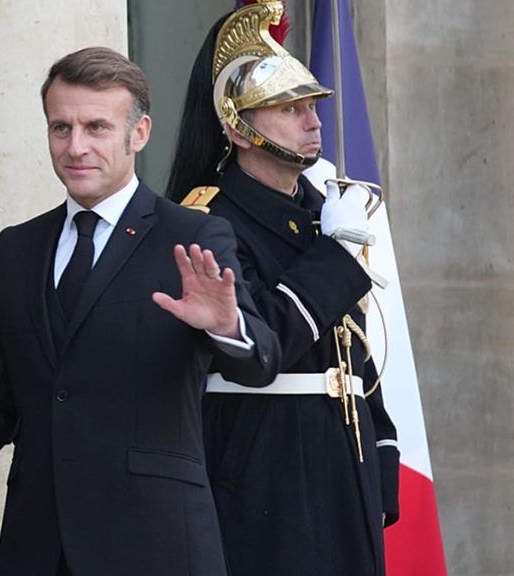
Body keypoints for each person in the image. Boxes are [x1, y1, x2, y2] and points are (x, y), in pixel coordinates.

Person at [0, 46, 281, 576]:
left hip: (156, 545)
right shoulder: (17, 248)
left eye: (96, 127)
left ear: (138, 134)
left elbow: (260, 362)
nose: (76, 147)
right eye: (61, 128)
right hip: (38, 545)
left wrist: (226, 326)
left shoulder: (192, 235)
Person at [165, 2, 400, 575]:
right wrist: (335, 257)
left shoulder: (323, 212)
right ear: (237, 127)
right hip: (263, 468)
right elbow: (264, 341)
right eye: (289, 109)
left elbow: (353, 351)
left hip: (343, 467)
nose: (313, 122)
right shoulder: (207, 222)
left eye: (312, 106)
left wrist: (381, 459)